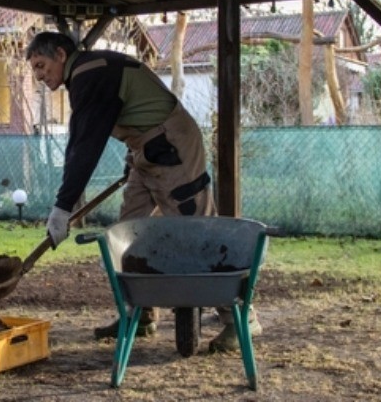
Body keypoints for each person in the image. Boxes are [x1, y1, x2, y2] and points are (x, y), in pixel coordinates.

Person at [26, 31, 260, 351]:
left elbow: (85, 145)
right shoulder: (88, 72)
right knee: (127, 235)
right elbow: (92, 132)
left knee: (198, 232)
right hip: (144, 152)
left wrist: (62, 206)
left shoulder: (91, 72)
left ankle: (241, 319)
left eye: (41, 65)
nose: (39, 75)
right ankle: (141, 314)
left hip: (171, 146)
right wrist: (132, 156)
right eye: (34, 70)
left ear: (61, 54)